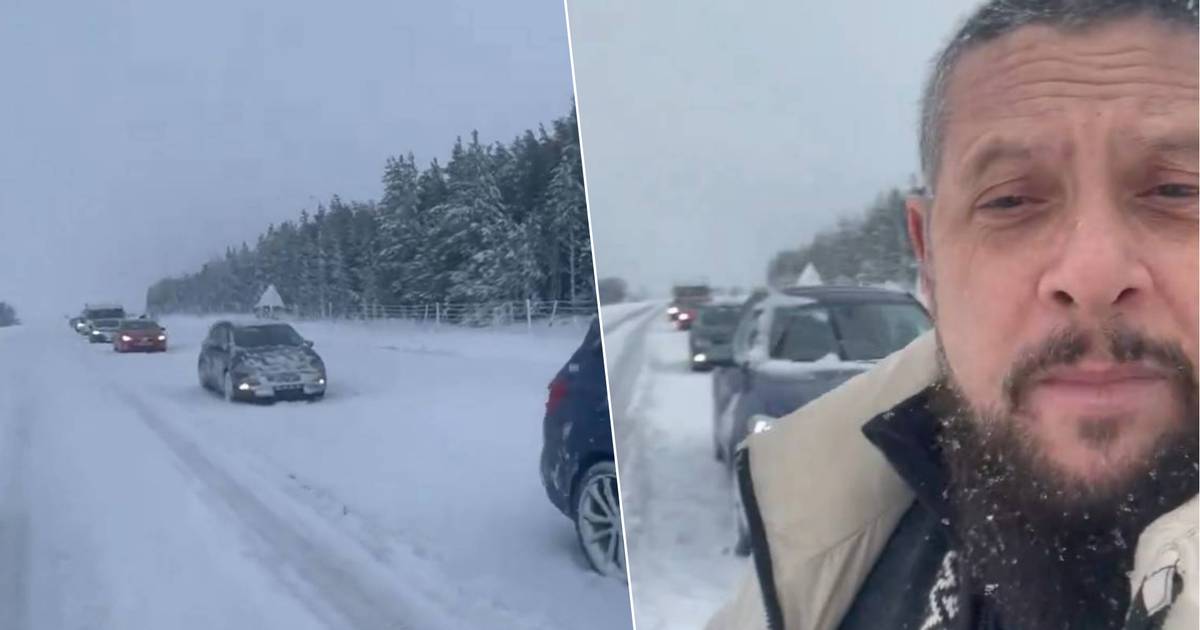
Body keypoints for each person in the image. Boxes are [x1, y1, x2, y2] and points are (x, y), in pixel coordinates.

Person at [707, 1, 1198, 629]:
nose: (1092, 274)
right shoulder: (815, 577)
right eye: (1011, 200)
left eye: (1177, 189)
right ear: (928, 257)